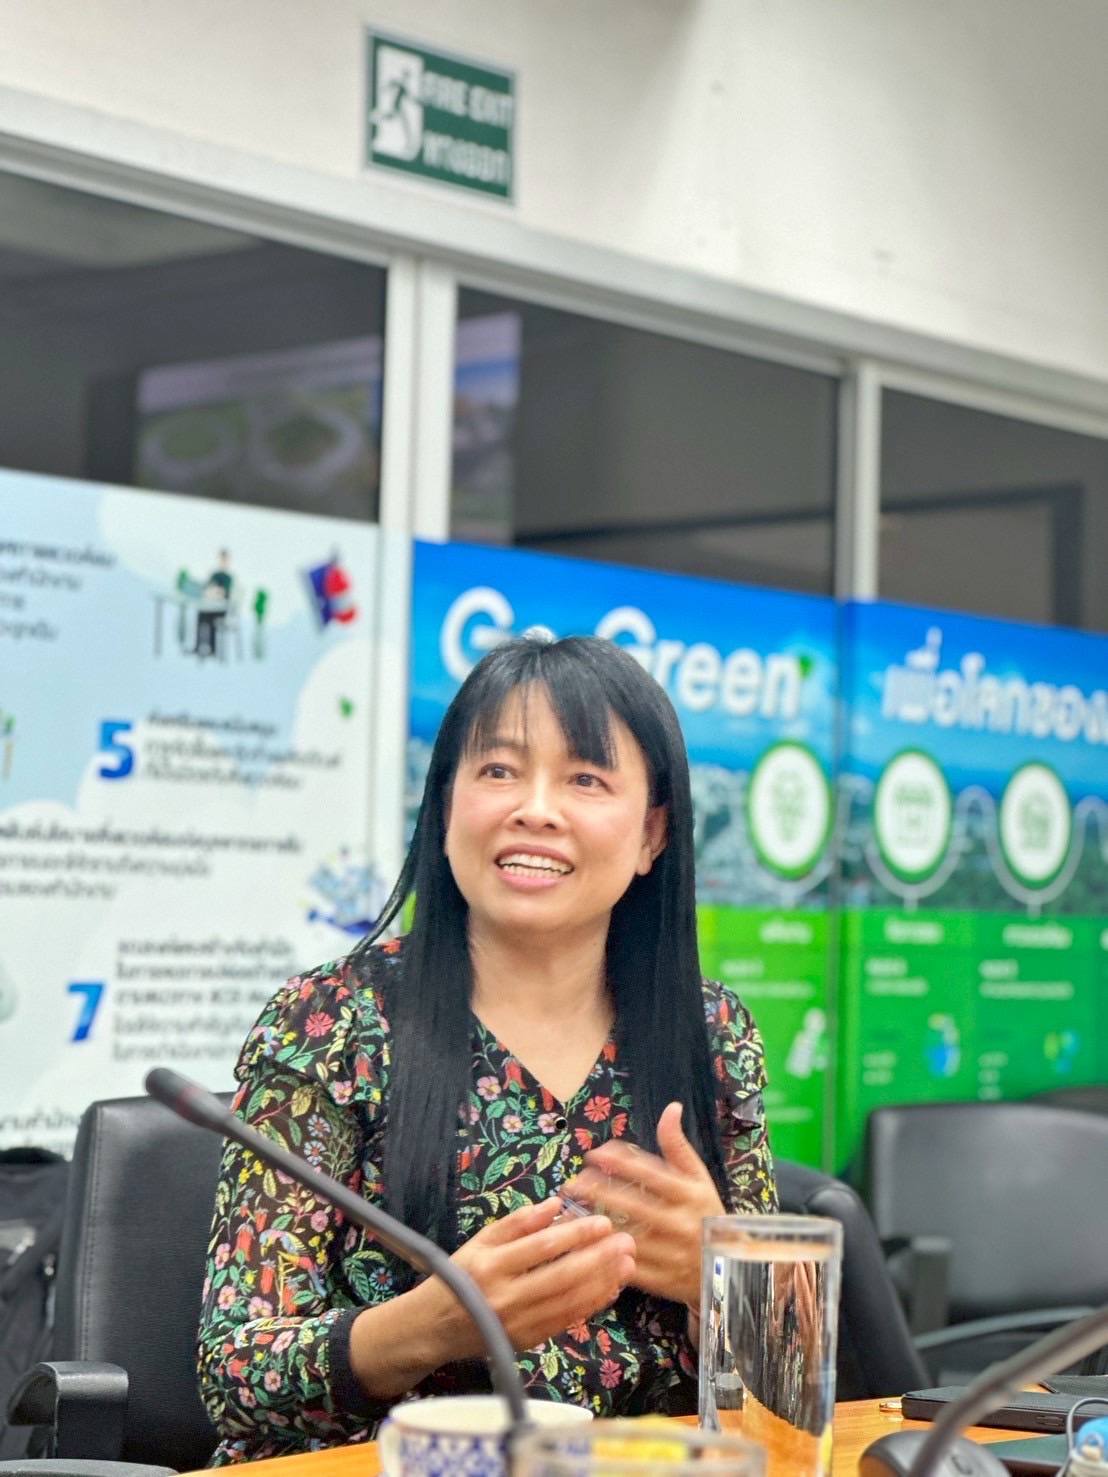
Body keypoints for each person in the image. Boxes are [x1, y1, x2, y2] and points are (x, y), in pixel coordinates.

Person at [197, 635, 776, 1465]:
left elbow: (787, 1380)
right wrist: (435, 1322)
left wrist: (718, 1280)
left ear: (653, 832)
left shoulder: (713, 1035)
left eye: (585, 778)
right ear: (444, 809)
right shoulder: (329, 1023)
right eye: (499, 770)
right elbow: (234, 1372)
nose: (535, 808)